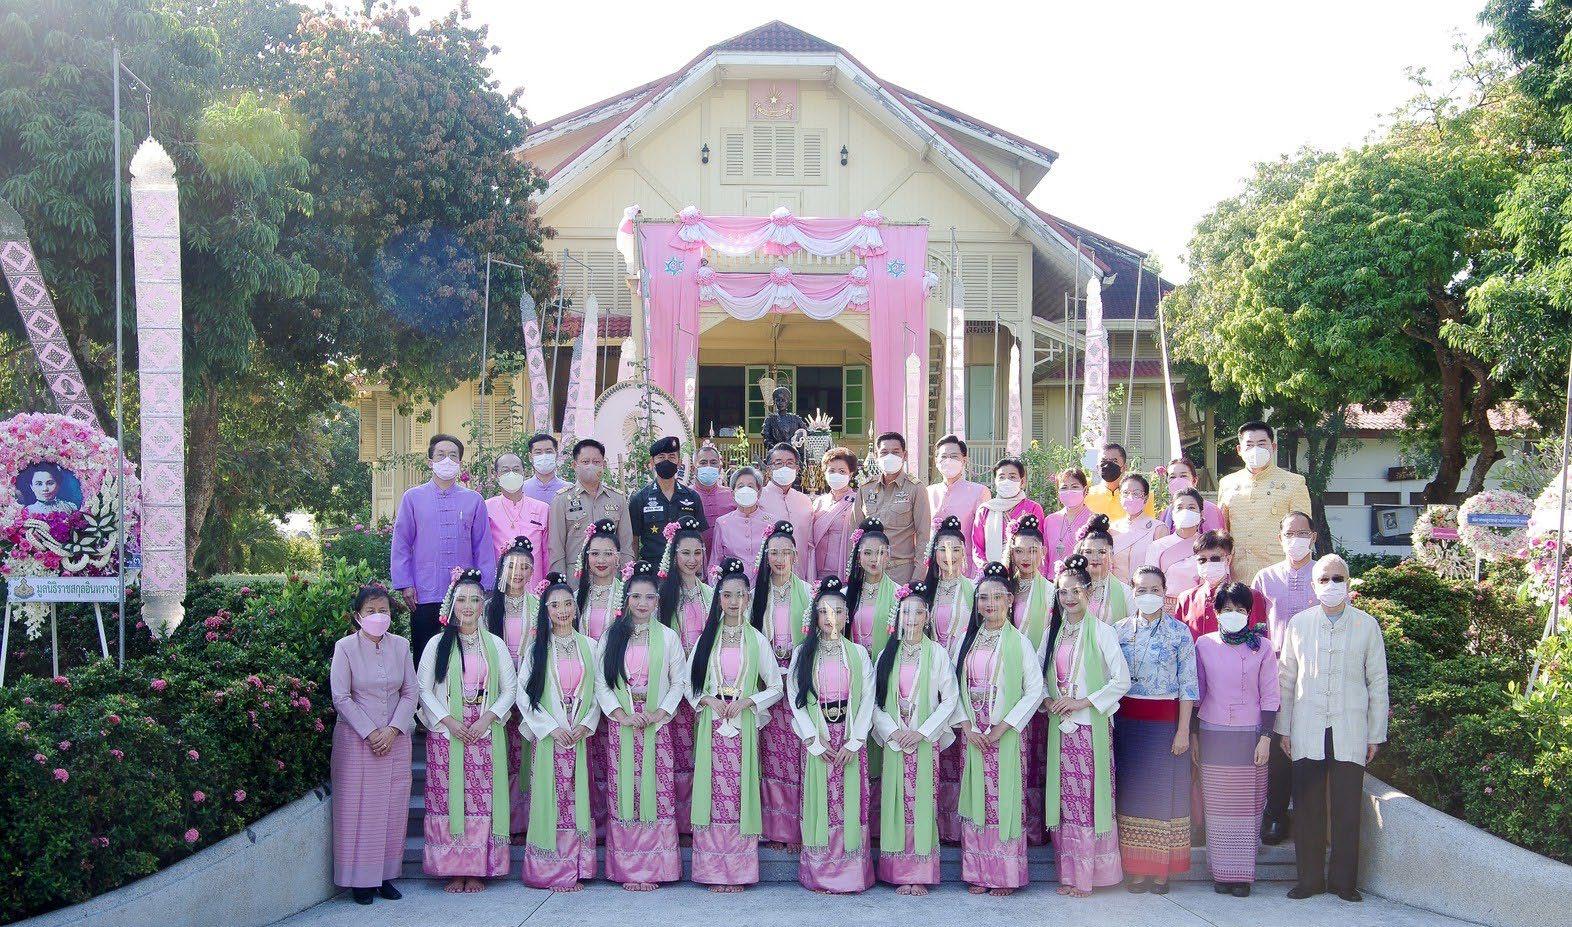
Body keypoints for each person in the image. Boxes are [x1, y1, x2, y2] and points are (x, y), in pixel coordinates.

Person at [1278, 555, 1388, 903]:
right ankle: (1309, 880)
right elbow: (1286, 679)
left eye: (1337, 578)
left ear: (1348, 583)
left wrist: (1375, 734)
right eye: (1324, 579)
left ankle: (1344, 882)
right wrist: (1283, 729)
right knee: (1307, 807)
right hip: (1307, 726)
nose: (1331, 585)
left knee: (1347, 808)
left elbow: (1378, 681)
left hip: (1350, 726)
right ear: (1313, 586)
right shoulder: (1299, 624)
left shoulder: (1367, 625)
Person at [687, 557, 784, 892]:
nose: (733, 601)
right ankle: (713, 871)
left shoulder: (756, 639)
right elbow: (688, 683)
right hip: (712, 728)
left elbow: (776, 686)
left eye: (739, 595)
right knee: (712, 796)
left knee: (740, 796)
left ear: (747, 598)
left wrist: (749, 702)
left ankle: (738, 872)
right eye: (726, 595)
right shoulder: (706, 639)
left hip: (742, 727)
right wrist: (709, 700)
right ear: (718, 599)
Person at [416, 569, 515, 892]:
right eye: (462, 600)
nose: (468, 606)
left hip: (484, 730)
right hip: (447, 733)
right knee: (448, 797)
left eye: (474, 600)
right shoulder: (437, 644)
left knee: (480, 800)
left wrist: (487, 719)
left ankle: (476, 869)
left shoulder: (495, 645)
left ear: (483, 605)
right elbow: (423, 688)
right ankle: (453, 868)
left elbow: (509, 689)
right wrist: (449, 721)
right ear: (452, 604)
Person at [1040, 554, 1131, 897]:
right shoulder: (1052, 633)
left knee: (1088, 801)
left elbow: (1121, 680)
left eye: (1076, 591)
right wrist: (1048, 700)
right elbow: (1036, 677)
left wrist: (1082, 702)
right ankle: (1069, 874)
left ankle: (1089, 878)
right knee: (1065, 801)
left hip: (1089, 729)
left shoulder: (1103, 632)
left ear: (1088, 593)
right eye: (1063, 592)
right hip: (1059, 729)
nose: (1069, 597)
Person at [594, 561, 687, 891]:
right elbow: (601, 681)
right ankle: (628, 869)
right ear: (626, 598)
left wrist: (660, 712)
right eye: (636, 596)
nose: (642, 603)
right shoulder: (611, 636)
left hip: (656, 725)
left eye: (649, 597)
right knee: (626, 793)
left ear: (657, 601)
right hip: (623, 724)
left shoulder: (669, 637)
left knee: (656, 792)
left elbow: (679, 682)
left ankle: (655, 869)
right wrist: (621, 715)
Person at [953, 561, 1044, 895]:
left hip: (1005, 735)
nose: (989, 603)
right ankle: (978, 872)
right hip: (974, 734)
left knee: (1003, 801)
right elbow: (952, 688)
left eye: (996, 597)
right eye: (983, 598)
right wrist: (967, 726)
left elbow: (1034, 690)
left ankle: (1004, 875)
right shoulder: (966, 642)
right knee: (977, 800)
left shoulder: (1019, 642)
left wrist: (1003, 727)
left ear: (1009, 601)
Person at [788, 577, 877, 894]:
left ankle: (852, 875)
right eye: (824, 611)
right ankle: (820, 874)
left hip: (849, 737)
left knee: (849, 804)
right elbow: (795, 698)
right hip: (819, 739)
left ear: (847, 616)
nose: (832, 618)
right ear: (815, 616)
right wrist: (813, 739)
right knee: (820, 803)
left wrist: (855, 741)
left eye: (838, 611)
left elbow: (867, 698)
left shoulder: (858, 653)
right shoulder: (803, 653)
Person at [1113, 567, 1198, 894]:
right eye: (1141, 589)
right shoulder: (1119, 631)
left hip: (1165, 725)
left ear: (1164, 592)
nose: (1148, 595)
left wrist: (1183, 730)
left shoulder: (1179, 632)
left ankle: (1161, 870)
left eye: (1155, 589)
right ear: (1132, 592)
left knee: (1164, 796)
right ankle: (1136, 869)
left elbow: (1188, 685)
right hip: (1127, 724)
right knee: (1132, 794)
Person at [330, 585, 417, 905]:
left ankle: (385, 876)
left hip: (395, 740)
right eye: (371, 611)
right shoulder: (345, 648)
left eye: (384, 611)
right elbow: (341, 697)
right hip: (356, 742)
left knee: (393, 809)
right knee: (358, 810)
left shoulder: (402, 646)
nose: (378, 616)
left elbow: (410, 692)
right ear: (358, 616)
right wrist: (370, 732)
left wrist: (393, 729)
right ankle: (359, 881)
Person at [872, 582, 959, 895]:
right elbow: (874, 701)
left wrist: (922, 732)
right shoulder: (887, 654)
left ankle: (919, 873)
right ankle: (897, 872)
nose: (911, 618)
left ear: (927, 616)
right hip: (896, 739)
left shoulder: (937, 653)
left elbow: (950, 698)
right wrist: (892, 731)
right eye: (906, 612)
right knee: (895, 803)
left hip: (923, 740)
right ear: (898, 616)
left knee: (921, 803)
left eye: (918, 612)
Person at [516, 572, 600, 892]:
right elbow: (525, 696)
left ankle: (577, 868)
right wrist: (551, 727)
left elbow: (600, 691)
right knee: (550, 800)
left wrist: (585, 724)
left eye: (567, 604)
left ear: (576, 609)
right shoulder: (536, 649)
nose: (562, 610)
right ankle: (550, 871)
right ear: (546, 610)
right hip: (550, 736)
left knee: (577, 800)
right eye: (555, 605)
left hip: (578, 735)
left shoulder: (590, 646)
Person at [1194, 582, 1279, 896]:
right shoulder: (1203, 644)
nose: (1233, 614)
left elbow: (1271, 695)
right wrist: (1193, 736)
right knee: (1218, 808)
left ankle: (1242, 876)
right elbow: (1196, 693)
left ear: (1249, 613)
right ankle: (1222, 873)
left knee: (1247, 808)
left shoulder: (1263, 647)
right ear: (1217, 612)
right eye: (1227, 609)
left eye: (1240, 609)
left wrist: (1266, 737)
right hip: (1213, 733)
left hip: (1251, 734)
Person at [392, 434, 496, 665]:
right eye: (441, 455)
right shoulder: (413, 498)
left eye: (452, 455)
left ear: (459, 463)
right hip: (423, 591)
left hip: (464, 593)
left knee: (463, 654)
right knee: (425, 654)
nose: (447, 460)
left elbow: (483, 546)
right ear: (430, 461)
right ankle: (425, 691)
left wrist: (485, 586)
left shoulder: (474, 500)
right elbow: (401, 543)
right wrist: (405, 583)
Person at [1249, 511, 1319, 845]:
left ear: (1313, 537)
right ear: (1279, 539)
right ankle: (1275, 813)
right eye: (1289, 534)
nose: (1296, 540)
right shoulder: (1265, 578)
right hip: (1275, 673)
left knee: (1308, 742)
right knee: (1278, 742)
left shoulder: (1324, 575)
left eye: (1302, 533)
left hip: (1315, 673)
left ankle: (1307, 815)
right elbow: (1254, 628)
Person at [751, 521, 813, 849]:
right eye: (773, 552)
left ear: (795, 556)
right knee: (773, 756)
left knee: (799, 753)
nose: (779, 559)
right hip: (769, 684)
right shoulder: (755, 596)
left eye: (785, 552)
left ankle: (799, 828)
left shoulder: (809, 594)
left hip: (799, 683)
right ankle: (777, 828)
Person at [920, 516, 975, 843]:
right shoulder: (923, 591)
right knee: (932, 750)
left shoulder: (975, 590)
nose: (949, 555)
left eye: (955, 549)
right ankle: (933, 825)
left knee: (960, 754)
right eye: (942, 549)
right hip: (928, 681)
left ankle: (958, 828)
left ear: (965, 553)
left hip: (964, 680)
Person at [655, 515, 711, 834]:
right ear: (673, 555)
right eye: (685, 553)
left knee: (700, 754)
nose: (692, 560)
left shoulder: (712, 594)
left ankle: (698, 822)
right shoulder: (661, 596)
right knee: (675, 755)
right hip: (672, 686)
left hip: (704, 684)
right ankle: (675, 823)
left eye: (697, 553)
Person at [1008, 513, 1055, 846]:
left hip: (1037, 684)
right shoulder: (1000, 590)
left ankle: (1034, 829)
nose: (1026, 557)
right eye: (1019, 550)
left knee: (1035, 758)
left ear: (1043, 553)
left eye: (1033, 550)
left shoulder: (1052, 593)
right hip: (1004, 684)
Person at [488, 537, 540, 843]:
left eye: (524, 567)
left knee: (528, 756)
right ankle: (503, 821)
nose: (517, 573)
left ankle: (529, 820)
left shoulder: (540, 606)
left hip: (531, 690)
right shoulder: (489, 607)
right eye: (511, 567)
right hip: (498, 692)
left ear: (532, 571)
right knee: (503, 756)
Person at [575, 519, 624, 835]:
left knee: (616, 756)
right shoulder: (575, 595)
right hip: (582, 687)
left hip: (620, 685)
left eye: (608, 553)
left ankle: (616, 826)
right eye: (595, 554)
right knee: (588, 756)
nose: (601, 560)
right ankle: (591, 823)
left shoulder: (630, 594)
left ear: (619, 557)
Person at [1218, 421, 1312, 584]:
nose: (1256, 449)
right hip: (1237, 572)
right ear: (1239, 450)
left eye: (1262, 444)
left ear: (1273, 447)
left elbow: (1303, 532)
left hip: (1278, 573)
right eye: (1249, 445)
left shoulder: (1294, 482)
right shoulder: (1227, 483)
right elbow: (1222, 528)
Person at [548, 438, 632, 586]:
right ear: (575, 465)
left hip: (611, 579)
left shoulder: (618, 499)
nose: (591, 466)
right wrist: (560, 585)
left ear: (603, 465)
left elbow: (626, 546)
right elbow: (556, 549)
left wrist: (627, 580)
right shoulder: (562, 500)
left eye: (596, 462)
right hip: (575, 579)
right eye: (585, 462)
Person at [852, 432, 931, 584]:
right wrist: (855, 573)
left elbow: (924, 537)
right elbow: (855, 534)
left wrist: (917, 577)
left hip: (901, 572)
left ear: (904, 455)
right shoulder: (865, 488)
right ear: (876, 456)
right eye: (884, 452)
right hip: (868, 572)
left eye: (895, 452)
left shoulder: (916, 488)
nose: (890, 457)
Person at [628, 436, 708, 564]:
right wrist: (633, 569)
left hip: (685, 568)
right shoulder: (640, 499)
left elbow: (700, 538)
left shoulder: (692, 497)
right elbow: (634, 540)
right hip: (652, 568)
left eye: (671, 457)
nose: (666, 461)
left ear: (679, 462)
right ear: (652, 462)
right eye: (661, 457)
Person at [1175, 531, 1267, 639]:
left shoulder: (1251, 596)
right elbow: (1177, 640)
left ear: (1228, 559)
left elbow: (1258, 640)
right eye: (1202, 560)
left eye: (1215, 559)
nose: (1208, 564)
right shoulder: (1185, 599)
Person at [928, 435, 990, 578]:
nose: (948, 460)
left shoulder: (979, 491)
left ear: (964, 460)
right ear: (936, 461)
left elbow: (982, 536)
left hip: (965, 567)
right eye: (944, 456)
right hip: (933, 568)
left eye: (954, 456)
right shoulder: (928, 492)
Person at [973, 457, 1044, 571]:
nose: (1006, 481)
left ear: (1022, 481)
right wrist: (988, 568)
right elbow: (977, 547)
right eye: (1001, 477)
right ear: (995, 481)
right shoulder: (985, 510)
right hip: (993, 573)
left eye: (1012, 477)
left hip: (1025, 572)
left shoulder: (1033, 508)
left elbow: (1038, 544)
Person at [759, 443, 815, 580]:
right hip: (767, 577)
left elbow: (810, 546)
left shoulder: (805, 501)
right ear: (769, 469)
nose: (785, 467)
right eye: (778, 463)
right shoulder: (758, 499)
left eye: (790, 463)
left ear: (797, 468)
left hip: (799, 577)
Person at [846, 518, 899, 656]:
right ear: (858, 556)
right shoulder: (846, 594)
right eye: (867, 553)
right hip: (854, 662)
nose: (874, 559)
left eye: (880, 552)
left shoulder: (898, 594)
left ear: (888, 555)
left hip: (886, 662)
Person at [1146, 488, 1206, 611]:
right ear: (1173, 514)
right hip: (1165, 609)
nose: (1186, 512)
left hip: (1198, 609)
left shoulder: (1208, 546)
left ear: (1201, 514)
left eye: (1191, 507)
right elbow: (1150, 583)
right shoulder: (1157, 546)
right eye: (1180, 507)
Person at [485, 453, 551, 563]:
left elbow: (547, 553)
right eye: (505, 471)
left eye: (516, 470)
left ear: (524, 473)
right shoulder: (487, 508)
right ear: (497, 476)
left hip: (535, 572)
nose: (511, 474)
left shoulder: (542, 509)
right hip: (501, 572)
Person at [709, 467, 771, 581]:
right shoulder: (723, 523)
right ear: (733, 493)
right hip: (733, 587)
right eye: (741, 486)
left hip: (765, 584)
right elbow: (715, 562)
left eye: (751, 486)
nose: (745, 490)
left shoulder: (771, 522)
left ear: (759, 492)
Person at [810, 447, 859, 582]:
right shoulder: (819, 502)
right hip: (818, 572)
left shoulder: (857, 502)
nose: (836, 475)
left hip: (844, 571)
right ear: (825, 473)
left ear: (850, 474)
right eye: (831, 471)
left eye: (842, 471)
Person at [1111, 474, 1169, 584]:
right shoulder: (1112, 529)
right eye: (1125, 493)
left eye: (1136, 493)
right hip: (1116, 589)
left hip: (1145, 589)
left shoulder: (1158, 528)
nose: (1130, 497)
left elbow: (1164, 567)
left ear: (1145, 498)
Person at [1076, 515, 1132, 625]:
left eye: (1101, 552)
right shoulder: (1070, 589)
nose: (1095, 558)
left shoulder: (1126, 592)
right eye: (1088, 552)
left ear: (1111, 554)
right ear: (1081, 554)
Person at [1087, 443, 1153, 523]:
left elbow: (1149, 526)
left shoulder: (1141, 497)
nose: (1108, 465)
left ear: (1124, 467)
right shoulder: (1087, 495)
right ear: (1097, 467)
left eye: (1114, 461)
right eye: (1104, 461)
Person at [1043, 468, 1094, 570]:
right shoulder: (1050, 520)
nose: (1069, 491)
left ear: (1085, 490)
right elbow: (1044, 557)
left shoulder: (1093, 520)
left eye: (1075, 487)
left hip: (1082, 578)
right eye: (1064, 487)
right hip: (1053, 578)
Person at [1157, 458, 1223, 535]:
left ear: (1194, 481)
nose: (1177, 480)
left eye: (1183, 476)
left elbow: (1215, 540)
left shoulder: (1209, 509)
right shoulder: (1166, 512)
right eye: (1172, 477)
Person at [689, 441, 735, 552]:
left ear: (719, 468)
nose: (708, 466)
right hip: (694, 558)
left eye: (713, 462)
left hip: (726, 558)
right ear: (693, 468)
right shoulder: (685, 496)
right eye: (703, 462)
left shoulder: (731, 494)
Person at [519, 433, 571, 507]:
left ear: (556, 454)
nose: (544, 456)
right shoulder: (521, 489)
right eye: (538, 452)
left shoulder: (568, 489)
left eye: (548, 451)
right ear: (530, 457)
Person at [761, 385, 806, 452]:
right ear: (775, 402)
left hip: (793, 453)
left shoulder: (795, 419)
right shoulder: (770, 419)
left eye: (783, 400)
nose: (780, 403)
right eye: (778, 400)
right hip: (776, 453)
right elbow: (766, 439)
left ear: (788, 401)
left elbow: (806, 432)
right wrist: (776, 448)